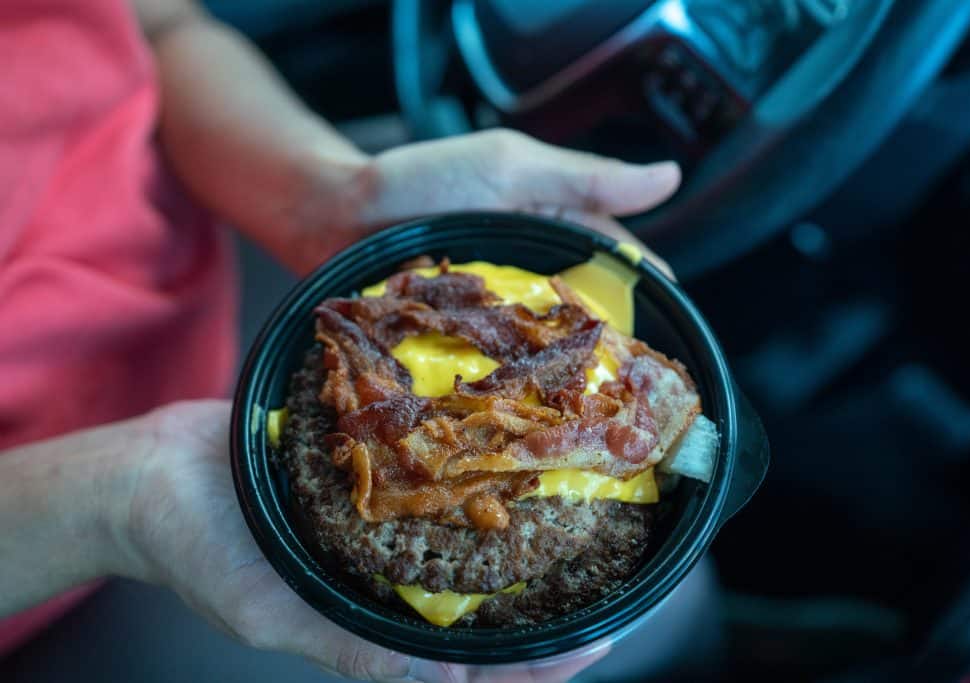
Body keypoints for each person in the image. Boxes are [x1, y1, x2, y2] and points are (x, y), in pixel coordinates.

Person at [0, 0, 683, 680]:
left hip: (204, 261)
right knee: (671, 627)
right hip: (49, 545)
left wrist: (320, 196)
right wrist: (118, 501)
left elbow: (160, 24)